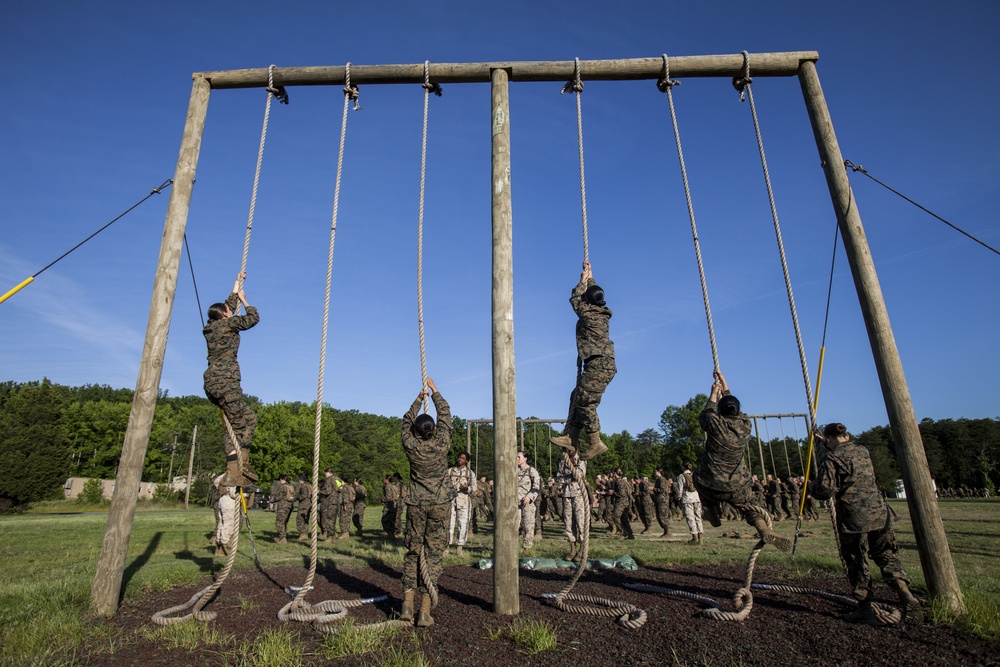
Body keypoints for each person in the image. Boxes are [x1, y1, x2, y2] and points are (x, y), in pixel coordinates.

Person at [811, 422, 922, 623]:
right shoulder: (863, 451)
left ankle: (864, 608)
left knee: (856, 561)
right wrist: (824, 445)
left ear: (828, 439)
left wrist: (812, 486)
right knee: (885, 555)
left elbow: (824, 491)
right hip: (880, 512)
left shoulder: (832, 458)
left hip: (854, 518)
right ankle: (905, 593)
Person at [694, 370, 791, 551]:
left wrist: (714, 392)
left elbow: (707, 412)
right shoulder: (745, 425)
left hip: (711, 483)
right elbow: (732, 408)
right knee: (750, 508)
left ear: (720, 412)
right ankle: (763, 529)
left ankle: (711, 509)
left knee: (696, 475)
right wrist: (725, 385)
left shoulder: (715, 424)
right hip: (737, 485)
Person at [399, 377, 454, 628]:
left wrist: (418, 399)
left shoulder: (411, 446)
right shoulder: (442, 443)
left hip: (416, 505)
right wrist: (434, 392)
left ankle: (407, 606)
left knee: (413, 552)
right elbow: (446, 415)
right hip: (440, 503)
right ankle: (424, 611)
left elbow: (405, 422)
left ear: (416, 432)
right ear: (433, 430)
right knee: (432, 554)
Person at [549, 261, 615, 461]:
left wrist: (581, 281)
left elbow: (576, 299)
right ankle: (572, 437)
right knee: (576, 396)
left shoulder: (588, 314)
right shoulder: (601, 312)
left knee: (586, 402)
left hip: (598, 363)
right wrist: (590, 277)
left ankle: (595, 442)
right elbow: (593, 294)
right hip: (600, 363)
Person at [203, 270, 260, 487]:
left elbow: (226, 305)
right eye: (229, 311)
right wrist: (244, 299)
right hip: (227, 382)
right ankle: (239, 468)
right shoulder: (229, 324)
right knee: (247, 422)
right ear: (226, 315)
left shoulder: (210, 327)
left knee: (232, 426)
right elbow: (253, 319)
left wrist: (236, 284)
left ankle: (232, 470)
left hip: (211, 383)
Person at [556, 448, 588, 561]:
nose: (570, 451)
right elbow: (559, 476)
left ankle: (582, 549)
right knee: (568, 522)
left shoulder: (581, 460)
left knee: (580, 521)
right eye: (568, 449)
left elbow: (579, 474)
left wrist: (567, 477)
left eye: (572, 448)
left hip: (578, 492)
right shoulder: (563, 462)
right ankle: (572, 548)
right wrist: (569, 478)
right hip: (566, 494)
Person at [446, 451, 476, 555]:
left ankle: (459, 547)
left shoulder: (470, 473)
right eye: (459, 457)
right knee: (448, 524)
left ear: (466, 461)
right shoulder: (450, 471)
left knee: (463, 524)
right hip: (450, 501)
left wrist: (467, 488)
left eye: (463, 458)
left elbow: (474, 488)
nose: (460, 459)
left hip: (463, 501)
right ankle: (447, 546)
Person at [516, 450, 542, 550]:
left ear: (525, 459)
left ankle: (527, 548)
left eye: (519, 457)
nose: (517, 459)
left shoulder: (531, 471)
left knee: (528, 526)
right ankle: (513, 549)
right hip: (515, 503)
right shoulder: (514, 471)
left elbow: (537, 486)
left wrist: (529, 497)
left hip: (528, 503)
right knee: (514, 526)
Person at [676, 462, 703, 544]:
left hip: (687, 498)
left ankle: (694, 538)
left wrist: (679, 497)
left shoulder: (681, 476)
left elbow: (680, 489)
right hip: (697, 497)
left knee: (690, 518)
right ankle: (700, 538)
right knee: (698, 517)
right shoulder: (695, 474)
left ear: (683, 467)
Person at [215, 477, 240, 556]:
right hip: (229, 503)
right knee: (229, 524)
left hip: (222, 501)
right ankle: (224, 543)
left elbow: (216, 482)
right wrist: (244, 495)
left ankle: (218, 544)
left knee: (221, 523)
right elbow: (233, 494)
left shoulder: (223, 479)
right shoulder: (232, 480)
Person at [274, 475, 295, 544]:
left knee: (279, 522)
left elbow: (277, 497)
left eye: (280, 480)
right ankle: (284, 536)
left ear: (283, 480)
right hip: (289, 506)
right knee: (284, 521)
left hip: (282, 506)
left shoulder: (283, 487)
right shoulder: (291, 487)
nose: (280, 481)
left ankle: (282, 538)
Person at [319, 468, 338, 541]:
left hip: (330, 502)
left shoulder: (329, 480)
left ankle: (331, 537)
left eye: (325, 473)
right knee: (332, 519)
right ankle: (334, 534)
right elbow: (341, 488)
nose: (325, 475)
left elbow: (327, 491)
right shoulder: (338, 479)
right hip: (336, 501)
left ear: (328, 472)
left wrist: (319, 491)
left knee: (328, 519)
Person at [652, 468, 671, 537]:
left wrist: (653, 489)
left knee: (663, 515)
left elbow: (662, 489)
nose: (654, 473)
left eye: (655, 471)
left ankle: (668, 531)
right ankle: (666, 531)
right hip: (659, 500)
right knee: (659, 516)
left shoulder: (661, 479)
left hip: (662, 500)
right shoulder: (658, 480)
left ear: (659, 472)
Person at [295, 474, 312, 541]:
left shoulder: (304, 487)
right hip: (308, 504)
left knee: (300, 519)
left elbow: (304, 495)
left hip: (304, 505)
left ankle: (302, 534)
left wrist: (297, 497)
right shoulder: (309, 486)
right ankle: (305, 534)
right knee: (305, 520)